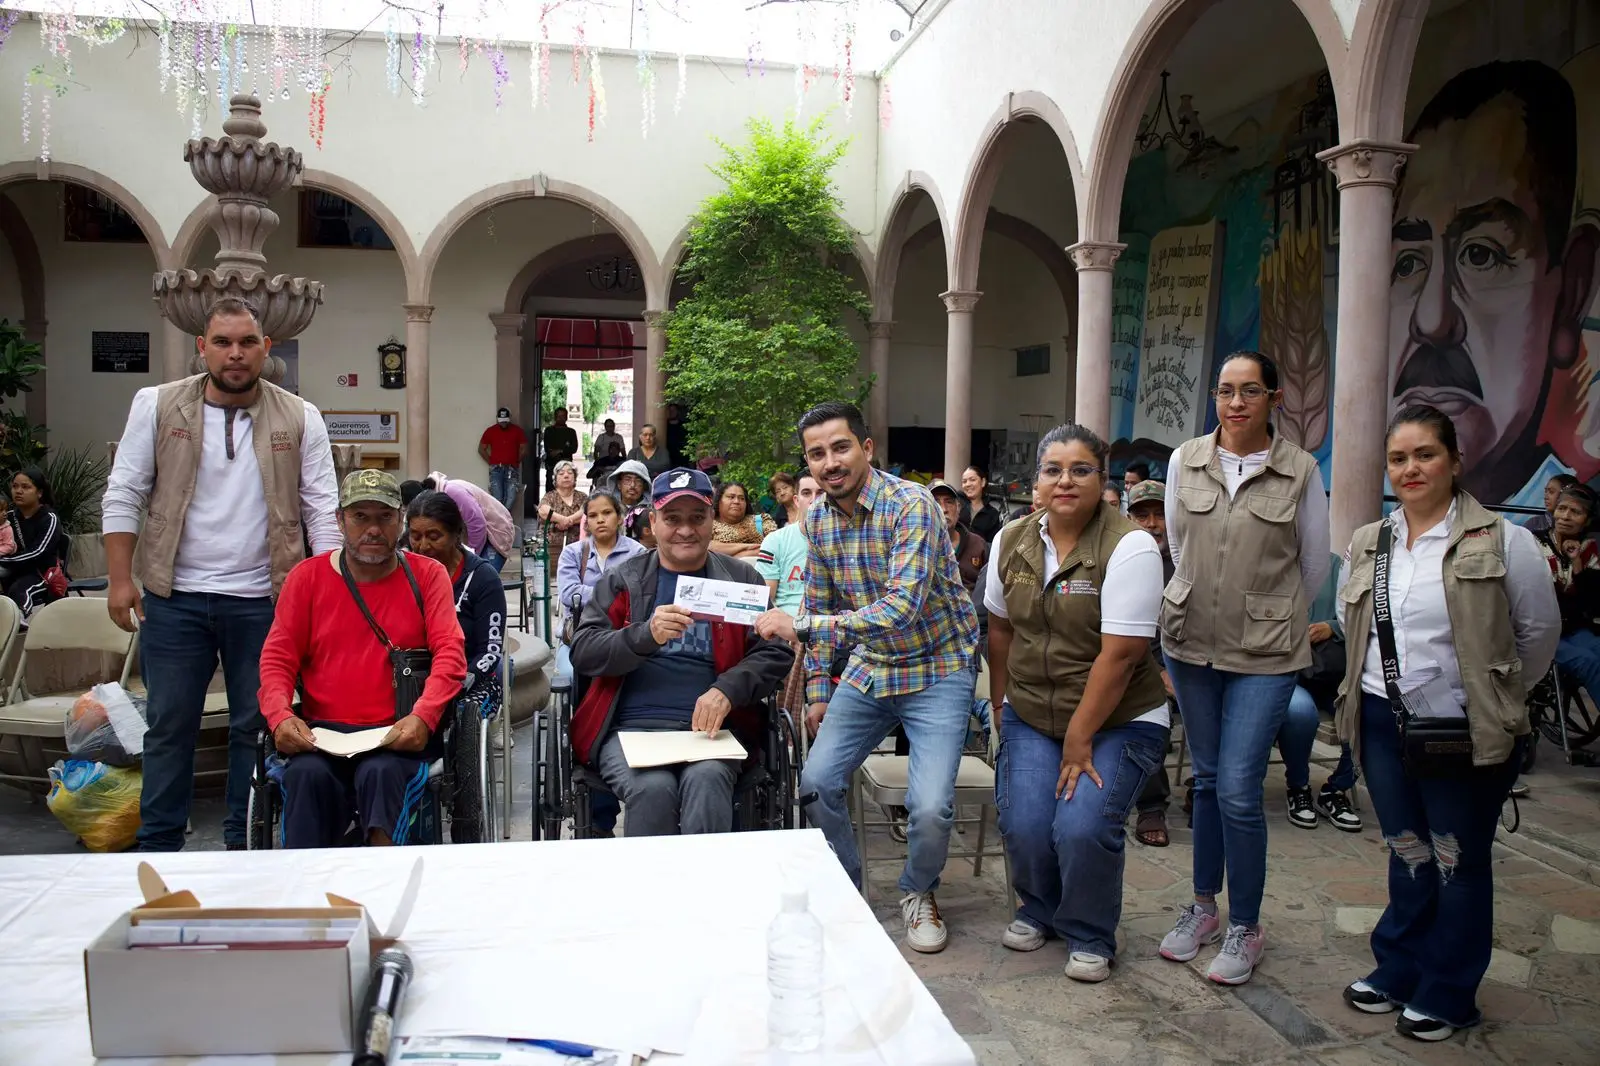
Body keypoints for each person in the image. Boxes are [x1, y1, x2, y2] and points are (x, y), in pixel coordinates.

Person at [1333, 405, 1559, 1042]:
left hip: (1464, 730)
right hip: (1381, 720)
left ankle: (1450, 990)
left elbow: (1538, 636)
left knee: (1457, 859)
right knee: (1407, 850)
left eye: (1425, 455)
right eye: (1399, 458)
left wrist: (1495, 701)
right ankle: (1398, 968)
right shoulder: (1369, 541)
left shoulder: (1504, 541)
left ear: (1455, 461)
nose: (1411, 469)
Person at [102, 296, 339, 852]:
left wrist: (324, 595)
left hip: (263, 600)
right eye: (224, 342)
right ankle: (159, 845)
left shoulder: (301, 416)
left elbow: (321, 511)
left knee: (255, 728)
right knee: (168, 726)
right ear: (201, 348)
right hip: (174, 597)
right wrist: (119, 578)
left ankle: (244, 842)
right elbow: (124, 489)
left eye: (247, 342)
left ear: (267, 349)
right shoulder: (157, 405)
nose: (236, 354)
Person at [755, 402, 978, 955]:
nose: (830, 462)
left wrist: (800, 623)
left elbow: (901, 607)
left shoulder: (912, 506)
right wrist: (817, 693)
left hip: (938, 669)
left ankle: (917, 890)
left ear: (866, 448)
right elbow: (820, 609)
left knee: (930, 807)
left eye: (840, 447)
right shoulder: (820, 522)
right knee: (816, 782)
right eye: (816, 453)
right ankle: (848, 889)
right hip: (871, 670)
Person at [1157, 350, 1330, 986]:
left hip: (1264, 654)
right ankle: (1202, 907)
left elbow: (1313, 566)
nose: (1235, 402)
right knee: (1205, 781)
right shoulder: (1185, 460)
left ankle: (1245, 924)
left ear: (1274, 399)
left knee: (1236, 788)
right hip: (1191, 642)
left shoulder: (1300, 470)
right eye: (1226, 391)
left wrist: (1266, 610)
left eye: (1250, 391)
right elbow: (1178, 543)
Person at [986, 424, 1169, 983]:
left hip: (1117, 720)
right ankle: (1040, 907)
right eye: (1053, 470)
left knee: (1083, 827)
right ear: (1036, 480)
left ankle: (1089, 930)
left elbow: (1121, 656)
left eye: (1081, 470)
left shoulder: (1129, 546)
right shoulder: (1010, 539)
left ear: (1102, 478)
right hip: (1032, 714)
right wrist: (1000, 707)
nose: (1065, 481)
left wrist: (1079, 736)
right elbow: (998, 631)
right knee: (1025, 823)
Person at [1389, 61, 1600, 505]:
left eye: (1481, 254)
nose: (1432, 321)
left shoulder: (1557, 526)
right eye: (1408, 263)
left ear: (1572, 292)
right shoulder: (1364, 521)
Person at [568, 468, 793, 836]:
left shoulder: (741, 580)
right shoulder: (624, 579)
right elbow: (585, 650)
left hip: (713, 733)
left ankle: (704, 891)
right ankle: (652, 891)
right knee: (652, 788)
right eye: (672, 519)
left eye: (697, 518)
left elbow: (774, 652)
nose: (685, 530)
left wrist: (728, 689)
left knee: (707, 780)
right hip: (631, 730)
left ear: (712, 521)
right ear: (653, 523)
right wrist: (644, 635)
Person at [259, 470, 468, 849]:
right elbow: (277, 659)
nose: (373, 529)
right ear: (340, 520)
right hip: (321, 735)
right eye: (360, 517)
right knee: (305, 776)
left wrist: (424, 715)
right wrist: (280, 716)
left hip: (396, 734)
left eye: (384, 517)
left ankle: (383, 882)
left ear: (400, 521)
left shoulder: (428, 575)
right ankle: (306, 887)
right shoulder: (306, 579)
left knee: (382, 773)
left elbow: (450, 654)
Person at [555, 488, 643, 839]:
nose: (600, 520)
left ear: (619, 517)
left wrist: (598, 595)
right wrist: (615, 592)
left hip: (626, 638)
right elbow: (567, 594)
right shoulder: (574, 554)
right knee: (566, 676)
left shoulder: (636, 552)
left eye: (607, 513)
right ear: (585, 521)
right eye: (593, 515)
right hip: (583, 639)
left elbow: (641, 595)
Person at [1278, 558, 1363, 833]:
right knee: (1301, 713)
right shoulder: (1269, 561)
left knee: (1366, 713)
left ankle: (1336, 789)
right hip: (1285, 673)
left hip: (1331, 673)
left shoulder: (1338, 564)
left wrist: (1332, 627)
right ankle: (1298, 786)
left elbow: (1360, 616)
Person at [406, 489, 506, 699]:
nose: (423, 546)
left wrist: (459, 682)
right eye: (415, 536)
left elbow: (490, 650)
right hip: (409, 676)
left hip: (466, 676)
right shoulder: (402, 573)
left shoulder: (483, 578)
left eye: (434, 536)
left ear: (456, 534)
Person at [1126, 480, 1179, 849]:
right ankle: (1151, 807)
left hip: (1187, 661)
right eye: (1142, 515)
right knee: (1149, 712)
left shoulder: (1186, 561)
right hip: (1137, 665)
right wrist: (1157, 672)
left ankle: (1202, 791)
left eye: (1159, 514)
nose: (1151, 523)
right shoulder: (1121, 558)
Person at [756, 472, 821, 721]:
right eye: (807, 493)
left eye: (821, 493)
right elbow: (764, 598)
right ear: (796, 500)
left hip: (832, 629)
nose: (814, 500)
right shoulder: (777, 540)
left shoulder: (847, 541)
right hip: (788, 628)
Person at [1537, 483, 1600, 703]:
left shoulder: (1588, 548)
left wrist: (1577, 562)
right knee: (1587, 662)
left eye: (1576, 512)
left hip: (1573, 629)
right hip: (1541, 633)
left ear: (1587, 520)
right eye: (1562, 509)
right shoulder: (1533, 543)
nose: (1566, 516)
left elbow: (1591, 600)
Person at [2, 468, 66, 619]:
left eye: (25, 487)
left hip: (40, 573)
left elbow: (38, 552)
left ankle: (16, 621)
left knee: (18, 590)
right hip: (12, 570)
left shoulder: (49, 518)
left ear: (39, 493)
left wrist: (4, 561)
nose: (18, 491)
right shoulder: (8, 518)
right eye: (15, 486)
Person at [430, 469, 517, 573]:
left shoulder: (452, 492)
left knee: (484, 580)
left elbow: (478, 525)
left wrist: (470, 556)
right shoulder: (442, 493)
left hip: (494, 533)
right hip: (480, 535)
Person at [929, 479, 988, 597]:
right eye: (936, 502)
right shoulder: (917, 545)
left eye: (949, 502)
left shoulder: (978, 544)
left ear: (958, 507)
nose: (944, 509)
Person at [478, 406, 528, 514]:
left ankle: (503, 517)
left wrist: (516, 461)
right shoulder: (490, 431)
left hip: (511, 468)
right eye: (501, 421)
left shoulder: (517, 431)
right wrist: (491, 462)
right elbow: (481, 449)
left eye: (505, 421)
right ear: (497, 419)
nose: (503, 423)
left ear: (509, 418)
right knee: (497, 498)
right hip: (496, 468)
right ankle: (501, 520)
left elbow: (524, 449)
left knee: (511, 497)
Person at [537, 461, 587, 556]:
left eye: (570, 473)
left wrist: (567, 521)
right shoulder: (550, 496)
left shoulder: (582, 497)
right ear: (555, 478)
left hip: (579, 547)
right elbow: (543, 511)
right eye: (561, 473)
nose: (566, 476)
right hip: (552, 548)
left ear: (575, 478)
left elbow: (586, 512)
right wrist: (562, 519)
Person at [711, 481, 765, 557]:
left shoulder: (762, 520)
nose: (736, 501)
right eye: (731, 497)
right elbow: (706, 548)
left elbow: (776, 548)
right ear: (719, 501)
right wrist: (747, 547)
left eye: (741, 498)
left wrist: (739, 557)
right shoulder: (708, 524)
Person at [960, 465, 1004, 543]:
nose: (967, 484)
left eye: (972, 480)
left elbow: (992, 543)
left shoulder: (992, 514)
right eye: (964, 481)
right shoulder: (956, 505)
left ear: (983, 482)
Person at [542, 407, 579, 492]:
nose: (561, 418)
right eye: (559, 416)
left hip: (567, 467)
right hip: (552, 466)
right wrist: (564, 449)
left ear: (566, 417)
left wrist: (559, 451)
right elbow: (548, 449)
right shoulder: (549, 431)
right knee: (551, 492)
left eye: (563, 416)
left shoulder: (571, 432)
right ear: (555, 417)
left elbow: (573, 448)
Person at [664, 403, 689, 468]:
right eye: (670, 410)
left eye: (673, 410)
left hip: (681, 458)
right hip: (668, 456)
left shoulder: (684, 426)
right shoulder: (664, 426)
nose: (671, 412)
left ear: (677, 411)